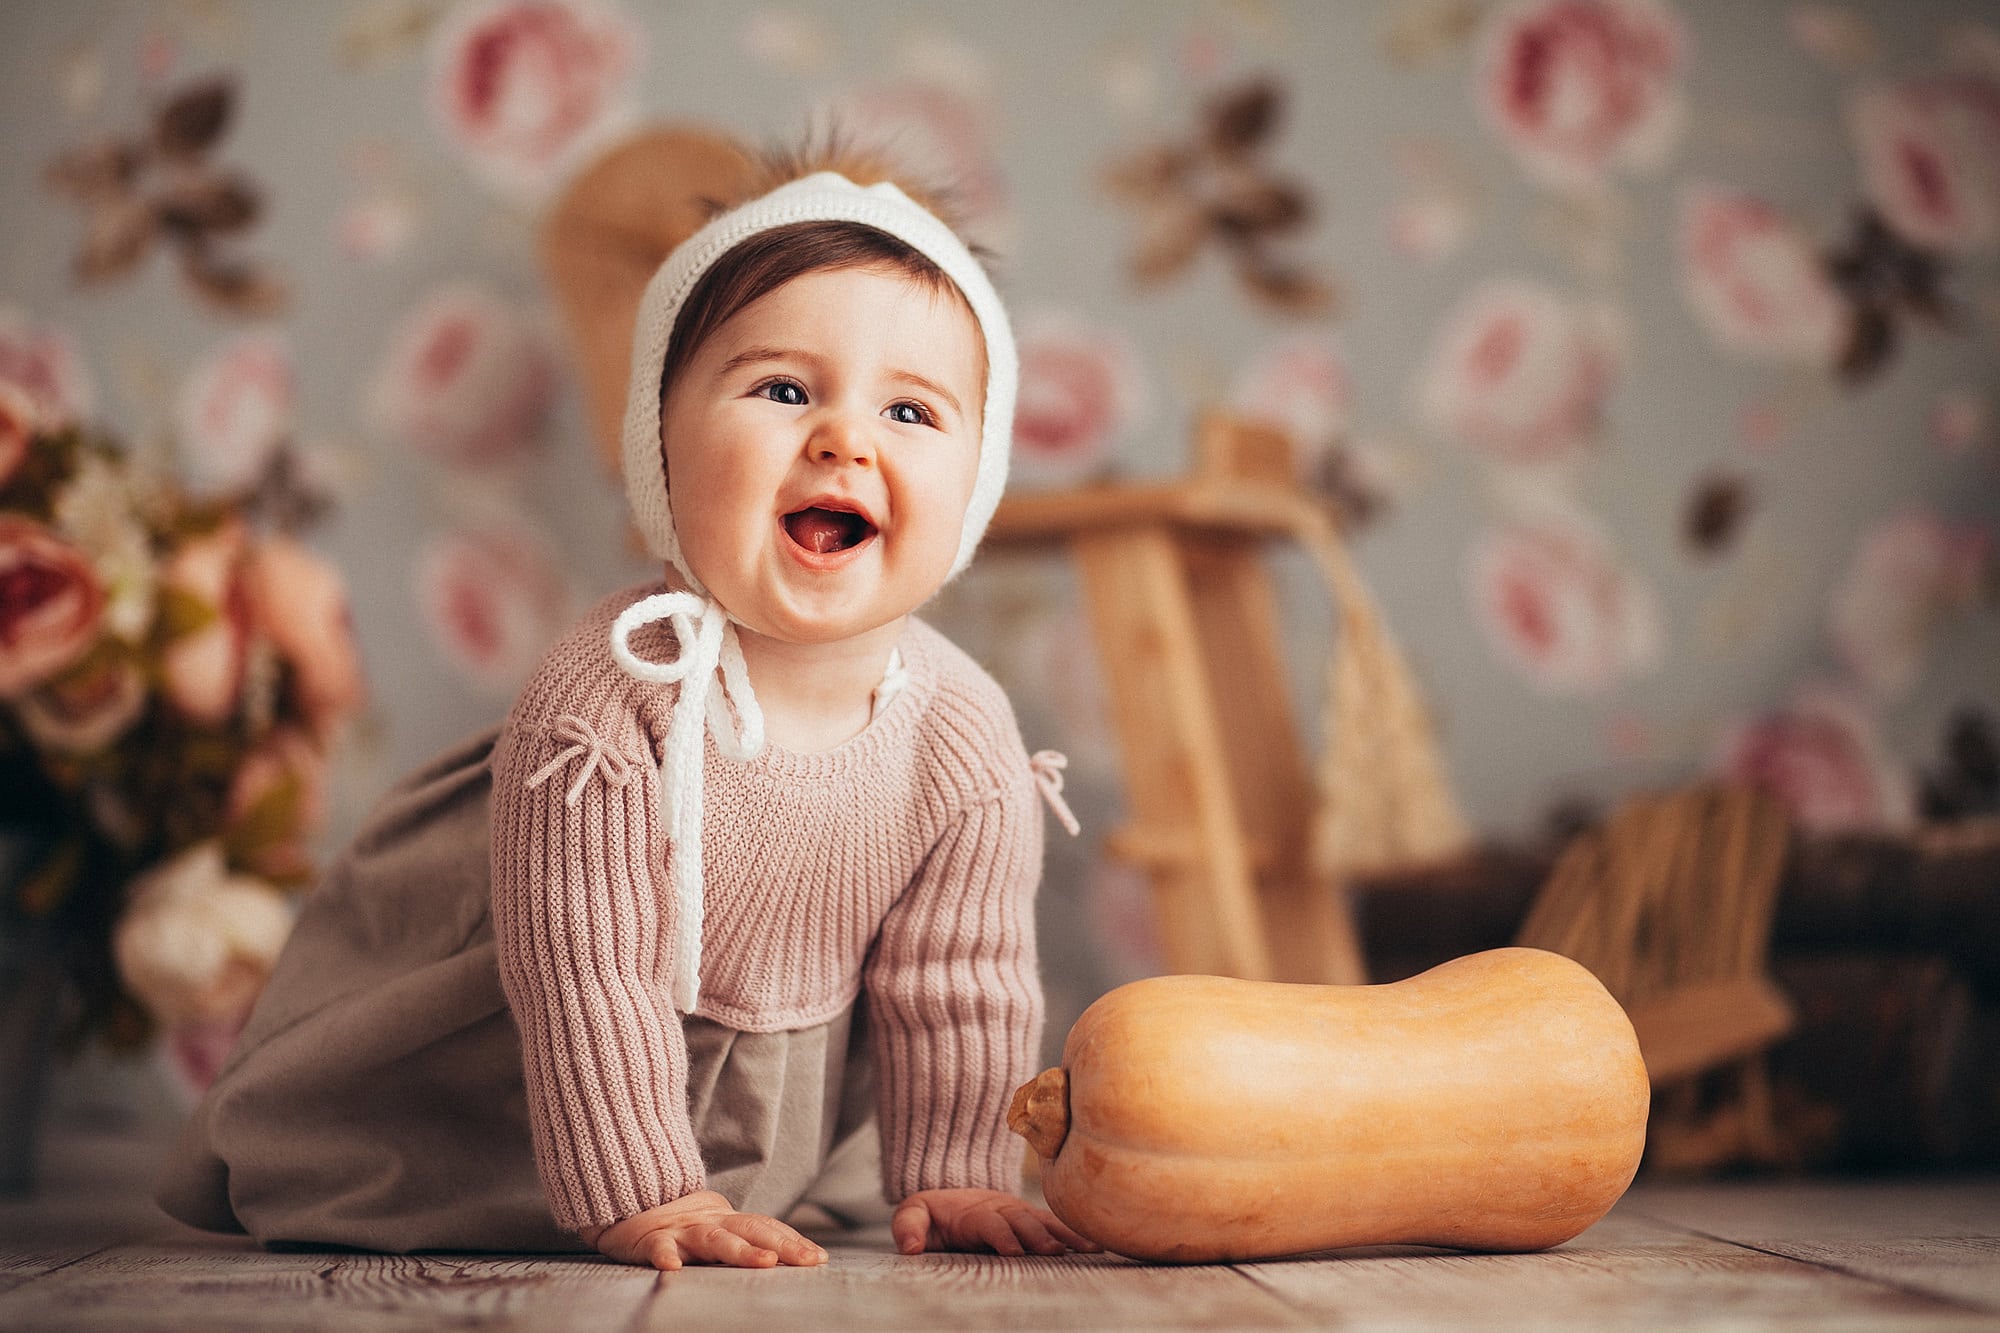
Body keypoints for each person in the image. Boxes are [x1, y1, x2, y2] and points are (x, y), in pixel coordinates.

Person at [155, 147, 1093, 1270]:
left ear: (975, 485)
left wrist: (952, 1176)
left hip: (755, 1134)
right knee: (423, 1161)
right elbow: (587, 975)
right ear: (662, 445)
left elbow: (958, 984)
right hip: (501, 1083)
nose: (844, 438)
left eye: (909, 409)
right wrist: (641, 1192)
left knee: (852, 1136)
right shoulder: (610, 698)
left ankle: (742, 1184)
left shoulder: (964, 734)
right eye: (783, 390)